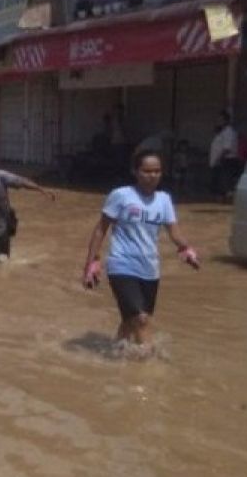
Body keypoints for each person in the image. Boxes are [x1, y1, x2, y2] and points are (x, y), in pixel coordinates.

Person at [82, 150, 200, 355]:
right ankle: (148, 371)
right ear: (135, 172)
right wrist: (91, 263)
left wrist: (186, 248)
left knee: (130, 321)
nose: (152, 175)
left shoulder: (164, 200)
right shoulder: (121, 195)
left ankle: (116, 356)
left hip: (150, 270)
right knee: (141, 320)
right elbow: (101, 228)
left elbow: (174, 231)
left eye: (157, 171)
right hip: (122, 265)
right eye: (147, 171)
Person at [208, 110, 242, 200]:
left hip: (227, 160)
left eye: (220, 120)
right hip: (221, 160)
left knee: (226, 181)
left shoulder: (229, 132)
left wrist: (219, 158)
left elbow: (227, 148)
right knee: (220, 181)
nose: (218, 122)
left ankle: (228, 197)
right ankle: (222, 197)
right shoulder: (222, 132)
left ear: (226, 120)